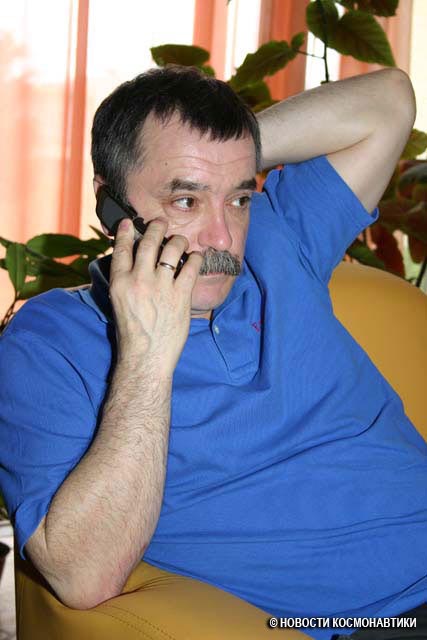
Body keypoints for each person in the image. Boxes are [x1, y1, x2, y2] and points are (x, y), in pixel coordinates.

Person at [1, 65, 426, 640]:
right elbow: (82, 575)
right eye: (186, 200)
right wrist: (148, 355)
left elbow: (389, 101)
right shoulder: (49, 342)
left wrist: (227, 156)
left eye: (239, 198)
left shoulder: (279, 238)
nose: (223, 238)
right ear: (111, 208)